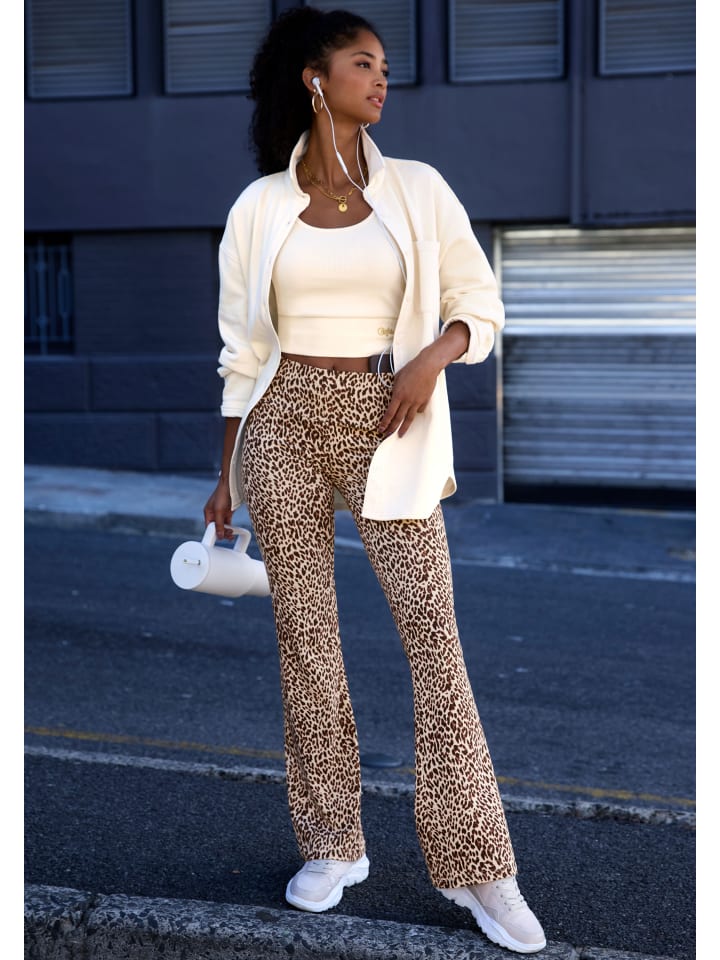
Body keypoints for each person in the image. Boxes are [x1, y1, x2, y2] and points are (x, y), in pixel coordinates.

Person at [203, 6, 546, 954]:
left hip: (387, 416)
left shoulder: (419, 189)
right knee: (306, 644)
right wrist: (224, 473)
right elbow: (241, 352)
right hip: (281, 424)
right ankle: (331, 844)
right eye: (364, 63)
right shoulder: (259, 207)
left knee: (434, 642)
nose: (383, 78)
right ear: (316, 79)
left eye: (385, 65)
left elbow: (480, 301)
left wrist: (433, 357)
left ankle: (481, 867)